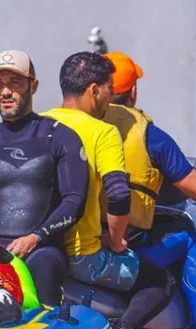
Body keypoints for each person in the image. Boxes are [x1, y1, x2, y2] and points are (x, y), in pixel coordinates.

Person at [101, 51, 196, 329]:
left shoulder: (79, 127)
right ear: (133, 92)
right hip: (124, 246)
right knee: (187, 236)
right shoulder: (150, 136)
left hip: (80, 242)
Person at [0, 49, 89, 305]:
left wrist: (35, 237)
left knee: (46, 263)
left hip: (42, 249)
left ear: (34, 86)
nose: (5, 92)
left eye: (14, 82)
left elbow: (74, 200)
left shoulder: (61, 138)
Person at [40, 51, 138, 292]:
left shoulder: (37, 124)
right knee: (159, 281)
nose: (112, 96)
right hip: (81, 257)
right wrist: (115, 242)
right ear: (94, 91)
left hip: (37, 249)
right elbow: (118, 193)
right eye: (109, 89)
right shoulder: (102, 132)